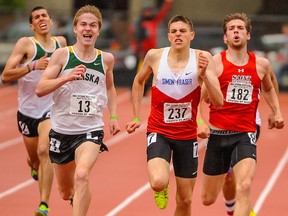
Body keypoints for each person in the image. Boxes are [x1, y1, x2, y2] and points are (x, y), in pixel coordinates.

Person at [126, 15, 223, 215]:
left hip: (187, 137)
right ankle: (162, 188)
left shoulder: (203, 59)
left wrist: (205, 76)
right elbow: (138, 82)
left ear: (191, 35)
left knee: (185, 200)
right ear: (169, 36)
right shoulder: (155, 56)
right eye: (174, 31)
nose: (178, 34)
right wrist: (136, 116)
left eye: (183, 31)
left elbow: (218, 100)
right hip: (159, 131)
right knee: (158, 182)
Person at [35, 5, 120, 216]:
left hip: (90, 130)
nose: (87, 29)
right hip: (62, 130)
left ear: (98, 30)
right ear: (75, 29)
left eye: (93, 25)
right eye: (83, 24)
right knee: (65, 192)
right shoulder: (62, 55)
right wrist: (66, 77)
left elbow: (110, 87)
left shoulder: (106, 59)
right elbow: (40, 88)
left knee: (82, 174)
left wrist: (114, 115)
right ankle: (75, 197)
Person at [200, 12, 285, 216]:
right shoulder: (215, 62)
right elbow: (200, 98)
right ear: (225, 37)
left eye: (240, 28)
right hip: (218, 134)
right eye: (231, 29)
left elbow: (269, 86)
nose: (236, 31)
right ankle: (232, 208)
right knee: (207, 199)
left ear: (248, 35)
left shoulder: (261, 64)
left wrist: (276, 111)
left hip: (245, 132)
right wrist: (200, 121)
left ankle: (242, 208)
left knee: (245, 185)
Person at [1, 6, 66, 216]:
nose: (41, 19)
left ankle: (44, 205)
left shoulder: (61, 43)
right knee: (34, 158)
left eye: (44, 15)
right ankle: (33, 165)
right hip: (27, 112)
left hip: (50, 108)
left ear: (51, 21)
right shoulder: (25, 44)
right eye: (37, 17)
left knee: (44, 150)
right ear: (32, 25)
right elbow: (5, 76)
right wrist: (32, 66)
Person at [133, 0, 173, 98]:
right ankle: (136, 92)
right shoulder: (139, 24)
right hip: (142, 52)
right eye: (146, 11)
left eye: (149, 11)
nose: (148, 13)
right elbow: (135, 38)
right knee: (140, 72)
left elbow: (162, 13)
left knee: (152, 73)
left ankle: (145, 93)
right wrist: (137, 49)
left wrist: (168, 3)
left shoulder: (153, 21)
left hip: (152, 52)